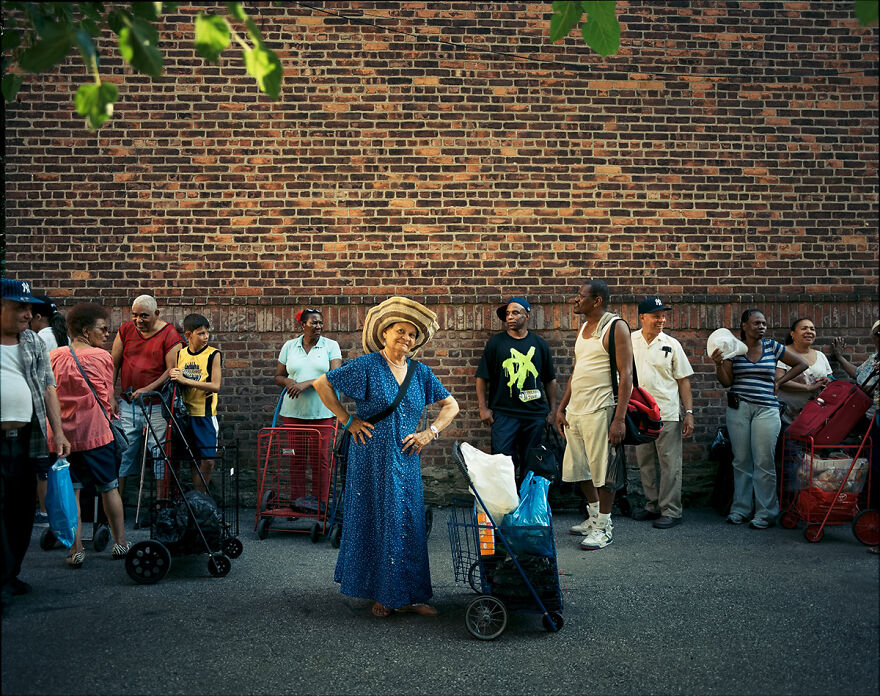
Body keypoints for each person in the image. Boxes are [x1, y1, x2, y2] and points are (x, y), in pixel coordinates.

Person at [313, 297, 459, 618]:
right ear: (384, 334)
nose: (405, 338)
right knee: (378, 518)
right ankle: (382, 592)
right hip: (371, 455)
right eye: (399, 331)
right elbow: (322, 383)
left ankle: (411, 595)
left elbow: (452, 406)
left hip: (406, 458)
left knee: (408, 520)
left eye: (411, 335)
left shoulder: (420, 373)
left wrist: (428, 432)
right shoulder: (367, 365)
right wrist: (348, 421)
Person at [1, 278, 70, 613]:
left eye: (30, 308)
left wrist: (59, 432)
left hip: (28, 440)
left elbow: (48, 387)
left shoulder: (31, 342)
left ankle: (11, 574)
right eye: (20, 307)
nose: (28, 314)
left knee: (21, 511)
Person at [48, 303, 130, 567]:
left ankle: (76, 550)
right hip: (95, 433)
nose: (107, 333)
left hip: (62, 436)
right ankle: (120, 543)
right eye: (102, 329)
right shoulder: (101, 357)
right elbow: (106, 396)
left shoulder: (54, 356)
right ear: (85, 330)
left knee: (71, 493)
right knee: (109, 486)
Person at [711, 309, 808, 529]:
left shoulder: (772, 347)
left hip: (767, 410)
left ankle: (766, 513)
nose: (761, 327)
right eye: (756, 323)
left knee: (764, 461)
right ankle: (740, 509)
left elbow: (802, 364)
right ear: (744, 326)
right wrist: (718, 364)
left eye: (763, 323)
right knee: (741, 460)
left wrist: (779, 382)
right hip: (739, 409)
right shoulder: (733, 349)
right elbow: (726, 382)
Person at [556, 280, 632, 550]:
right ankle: (593, 517)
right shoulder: (583, 328)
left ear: (597, 300)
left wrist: (619, 418)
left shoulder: (615, 327)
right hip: (577, 410)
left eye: (581, 296)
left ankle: (604, 526)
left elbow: (627, 375)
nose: (576, 300)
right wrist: (562, 406)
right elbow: (577, 372)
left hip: (601, 409)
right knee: (580, 469)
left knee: (604, 472)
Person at [475, 296, 558, 482]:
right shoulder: (496, 343)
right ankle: (506, 507)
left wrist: (553, 410)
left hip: (534, 416)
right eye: (507, 314)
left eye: (515, 312)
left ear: (527, 315)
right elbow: (481, 378)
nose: (510, 317)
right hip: (504, 415)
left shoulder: (539, 345)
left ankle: (528, 507)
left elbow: (550, 380)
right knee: (502, 463)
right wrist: (483, 408)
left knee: (533, 465)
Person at [630, 297, 695, 529]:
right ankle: (652, 505)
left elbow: (683, 381)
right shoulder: (629, 341)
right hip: (639, 413)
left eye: (663, 315)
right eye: (656, 315)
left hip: (666, 412)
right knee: (645, 461)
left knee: (670, 463)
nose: (661, 320)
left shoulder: (671, 344)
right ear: (642, 318)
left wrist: (688, 412)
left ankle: (671, 510)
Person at [111, 295, 183, 501]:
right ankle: (117, 504)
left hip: (157, 404)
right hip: (128, 402)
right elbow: (114, 364)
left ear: (157, 314)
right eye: (134, 315)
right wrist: (110, 395)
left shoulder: (169, 334)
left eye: (144, 316)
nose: (138, 320)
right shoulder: (125, 330)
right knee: (125, 450)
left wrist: (147, 389)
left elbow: (172, 369)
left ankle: (161, 504)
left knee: (159, 451)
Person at [272, 308, 342, 503]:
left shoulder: (331, 346)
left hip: (322, 411)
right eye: (313, 323)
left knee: (321, 460)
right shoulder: (289, 346)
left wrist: (307, 383)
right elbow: (278, 376)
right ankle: (297, 502)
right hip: (293, 412)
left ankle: (321, 505)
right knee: (296, 459)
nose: (318, 326)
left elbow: (334, 376)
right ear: (303, 325)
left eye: (320, 323)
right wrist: (288, 382)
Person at [831, 319, 880, 552]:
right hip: (872, 423)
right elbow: (860, 376)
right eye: (878, 334)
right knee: (874, 471)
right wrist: (840, 358)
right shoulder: (874, 360)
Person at [168, 314, 222, 493]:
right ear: (188, 334)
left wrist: (186, 380)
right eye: (201, 334)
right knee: (192, 459)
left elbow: (215, 386)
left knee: (208, 461)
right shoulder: (180, 354)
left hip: (204, 415)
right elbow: (176, 379)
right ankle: (196, 502)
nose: (206, 337)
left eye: (207, 333)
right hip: (184, 415)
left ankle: (200, 497)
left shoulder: (213, 354)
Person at [30, 295, 68, 526]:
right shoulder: (62, 334)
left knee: (42, 462)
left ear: (37, 317)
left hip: (45, 403)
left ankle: (45, 511)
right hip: (63, 404)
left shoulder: (41, 337)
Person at [776, 318, 833, 423]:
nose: (809, 331)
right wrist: (808, 388)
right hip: (788, 418)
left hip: (815, 418)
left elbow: (831, 378)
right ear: (792, 334)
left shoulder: (820, 355)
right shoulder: (784, 353)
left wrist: (827, 380)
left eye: (812, 329)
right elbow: (779, 381)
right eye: (804, 328)